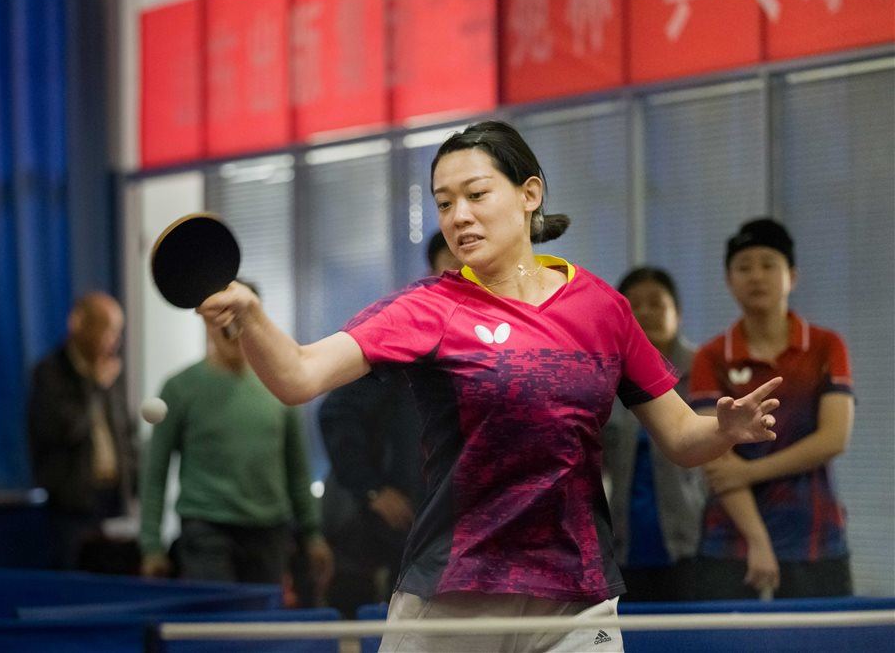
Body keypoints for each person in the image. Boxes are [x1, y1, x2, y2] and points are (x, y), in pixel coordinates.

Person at [197, 121, 781, 652]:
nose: (458, 216)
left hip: (574, 595)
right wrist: (250, 316)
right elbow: (298, 376)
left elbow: (680, 437)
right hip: (456, 592)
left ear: (530, 194)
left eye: (476, 195)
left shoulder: (602, 309)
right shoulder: (428, 308)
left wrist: (723, 430)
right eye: (444, 203)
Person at [690, 218, 855, 600]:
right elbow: (716, 458)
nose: (756, 276)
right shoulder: (710, 357)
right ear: (729, 280)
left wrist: (750, 471)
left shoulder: (827, 346)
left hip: (815, 538)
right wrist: (758, 541)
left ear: (791, 276)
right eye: (744, 267)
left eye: (768, 264)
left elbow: (833, 439)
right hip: (730, 542)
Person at [138, 282, 333, 589]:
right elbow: (156, 470)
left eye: (239, 316)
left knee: (262, 617)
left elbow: (297, 468)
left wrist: (312, 534)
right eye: (222, 318)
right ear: (206, 320)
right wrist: (151, 546)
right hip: (207, 529)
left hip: (269, 531)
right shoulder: (179, 389)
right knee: (218, 616)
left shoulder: (280, 384)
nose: (231, 329)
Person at [319, 232, 460, 617]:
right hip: (389, 526)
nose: (463, 271)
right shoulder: (409, 331)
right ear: (434, 271)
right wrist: (372, 488)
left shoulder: (488, 340)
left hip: (450, 525)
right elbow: (336, 411)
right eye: (452, 263)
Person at [602, 267, 705, 601]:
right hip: (624, 542)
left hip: (694, 541)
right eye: (634, 305)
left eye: (656, 303)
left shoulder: (702, 368)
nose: (644, 312)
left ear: (677, 312)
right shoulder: (605, 375)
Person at [27, 292, 136, 570]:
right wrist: (95, 387)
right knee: (74, 579)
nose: (115, 341)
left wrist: (134, 482)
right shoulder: (50, 373)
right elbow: (66, 429)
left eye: (118, 332)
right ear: (79, 324)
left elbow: (126, 432)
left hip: (112, 500)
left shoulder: (111, 372)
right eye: (108, 330)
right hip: (71, 506)